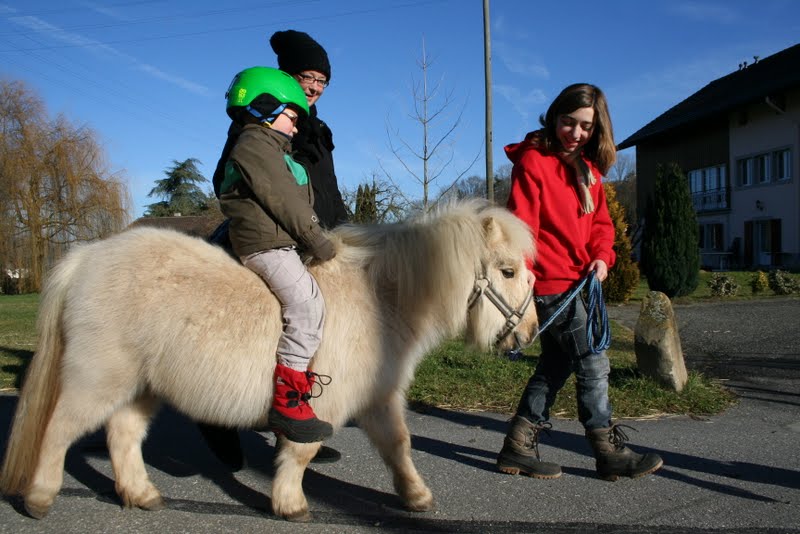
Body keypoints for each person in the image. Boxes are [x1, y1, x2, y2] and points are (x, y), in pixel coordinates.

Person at [496, 83, 664, 481]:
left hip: (581, 281)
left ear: (597, 128)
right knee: (592, 361)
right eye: (568, 122)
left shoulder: (589, 171)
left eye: (585, 126)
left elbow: (602, 226)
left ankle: (517, 446)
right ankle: (607, 451)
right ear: (555, 117)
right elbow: (520, 229)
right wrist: (521, 288)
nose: (575, 132)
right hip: (551, 283)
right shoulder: (534, 162)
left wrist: (603, 258)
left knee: (556, 365)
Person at [201, 30, 347, 467]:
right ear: (284, 77)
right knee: (257, 322)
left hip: (313, 234)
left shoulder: (313, 127)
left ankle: (294, 432)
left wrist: (340, 231)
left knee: (316, 324)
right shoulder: (257, 127)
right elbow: (243, 180)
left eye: (323, 80)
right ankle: (216, 414)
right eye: (307, 76)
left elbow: (328, 187)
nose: (315, 86)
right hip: (273, 233)